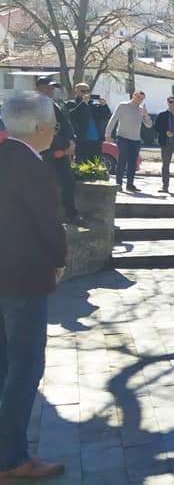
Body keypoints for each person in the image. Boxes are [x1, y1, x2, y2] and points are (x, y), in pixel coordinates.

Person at [0, 91, 68, 481]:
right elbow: (48, 223)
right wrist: (58, 261)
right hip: (23, 279)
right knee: (25, 367)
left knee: (5, 364)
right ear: (40, 128)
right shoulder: (31, 165)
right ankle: (11, 458)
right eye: (54, 126)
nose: (55, 133)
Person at [35, 77, 81, 225]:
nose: (51, 91)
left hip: (61, 151)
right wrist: (58, 149)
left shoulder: (55, 104)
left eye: (52, 88)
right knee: (43, 185)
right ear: (39, 89)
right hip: (45, 152)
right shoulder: (34, 107)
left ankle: (71, 214)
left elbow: (66, 125)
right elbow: (41, 132)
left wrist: (71, 141)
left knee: (69, 182)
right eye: (48, 88)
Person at [105, 90, 153, 192]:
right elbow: (113, 119)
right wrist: (108, 134)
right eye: (138, 97)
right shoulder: (123, 106)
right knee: (122, 161)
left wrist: (146, 115)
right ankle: (118, 184)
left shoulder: (141, 110)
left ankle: (130, 185)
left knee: (132, 163)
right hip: (123, 138)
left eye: (141, 99)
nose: (139, 100)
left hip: (136, 140)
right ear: (133, 95)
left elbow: (149, 125)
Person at [67, 83, 110, 163]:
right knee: (81, 165)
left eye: (87, 91)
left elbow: (106, 116)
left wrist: (104, 106)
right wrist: (83, 103)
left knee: (95, 165)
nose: (86, 93)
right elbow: (71, 116)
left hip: (96, 141)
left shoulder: (93, 105)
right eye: (83, 91)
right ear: (76, 91)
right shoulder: (71, 103)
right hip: (81, 141)